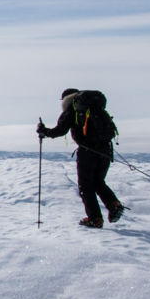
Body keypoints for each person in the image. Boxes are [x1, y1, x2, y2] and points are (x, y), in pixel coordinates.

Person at [38, 88, 124, 228]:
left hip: (87, 152)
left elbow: (60, 130)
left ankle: (95, 219)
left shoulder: (73, 110)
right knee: (98, 182)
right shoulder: (94, 108)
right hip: (105, 150)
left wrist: (44, 131)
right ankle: (114, 204)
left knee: (86, 186)